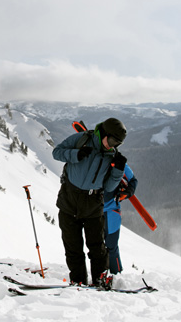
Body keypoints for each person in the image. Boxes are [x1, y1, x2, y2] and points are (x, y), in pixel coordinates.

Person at [52, 117, 127, 289]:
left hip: (93, 203)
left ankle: (100, 280)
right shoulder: (82, 139)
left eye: (118, 143)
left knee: (97, 247)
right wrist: (75, 154)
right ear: (104, 134)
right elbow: (56, 152)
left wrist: (118, 171)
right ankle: (78, 281)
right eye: (113, 140)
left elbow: (109, 186)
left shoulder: (112, 156)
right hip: (69, 199)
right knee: (73, 246)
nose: (114, 145)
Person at [104, 164, 137, 275]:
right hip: (92, 210)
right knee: (96, 246)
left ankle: (116, 275)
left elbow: (133, 180)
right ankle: (100, 275)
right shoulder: (92, 156)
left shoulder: (117, 161)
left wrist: (128, 192)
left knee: (111, 245)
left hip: (111, 209)